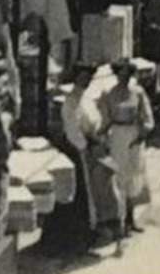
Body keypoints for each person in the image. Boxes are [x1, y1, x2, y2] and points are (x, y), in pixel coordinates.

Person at [61, 65, 126, 252]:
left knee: (107, 186)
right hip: (83, 151)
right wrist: (86, 145)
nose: (86, 81)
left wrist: (102, 138)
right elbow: (72, 131)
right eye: (83, 77)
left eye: (89, 77)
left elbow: (97, 120)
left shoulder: (87, 98)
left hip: (98, 147)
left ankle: (113, 226)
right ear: (76, 78)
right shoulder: (70, 102)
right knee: (91, 192)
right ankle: (95, 231)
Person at [99, 59, 154, 235]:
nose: (124, 77)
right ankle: (118, 220)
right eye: (120, 74)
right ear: (116, 75)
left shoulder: (137, 93)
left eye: (127, 74)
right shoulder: (108, 94)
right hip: (116, 135)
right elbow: (105, 119)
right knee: (118, 176)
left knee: (133, 176)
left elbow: (146, 116)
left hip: (133, 135)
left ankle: (131, 218)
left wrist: (142, 133)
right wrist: (102, 137)